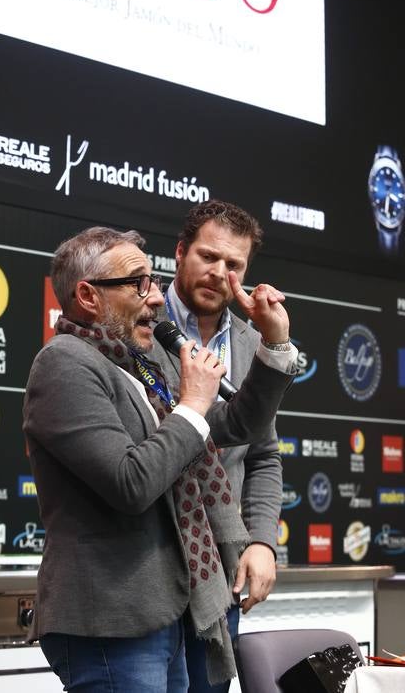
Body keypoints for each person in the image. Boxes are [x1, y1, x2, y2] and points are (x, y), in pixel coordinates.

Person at [23, 226, 295, 692]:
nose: (154, 299)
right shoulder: (63, 363)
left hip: (163, 611)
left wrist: (274, 344)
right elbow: (130, 483)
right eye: (139, 284)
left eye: (152, 282)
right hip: (112, 619)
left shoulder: (135, 364)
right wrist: (192, 405)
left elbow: (237, 427)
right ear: (88, 296)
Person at [155, 199, 296, 693]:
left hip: (221, 568)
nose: (219, 273)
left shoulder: (248, 341)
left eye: (233, 265)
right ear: (179, 252)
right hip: (150, 559)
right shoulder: (141, 327)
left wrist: (260, 539)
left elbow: (263, 453)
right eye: (208, 257)